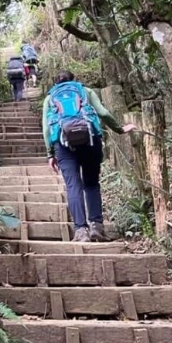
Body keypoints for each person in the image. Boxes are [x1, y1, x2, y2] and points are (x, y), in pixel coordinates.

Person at [41, 70, 136, 243]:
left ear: (55, 83)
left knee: (73, 186)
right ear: (74, 80)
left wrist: (50, 154)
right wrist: (120, 129)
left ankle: (80, 231)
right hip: (90, 141)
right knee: (91, 184)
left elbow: (47, 129)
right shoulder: (85, 91)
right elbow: (104, 113)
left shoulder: (50, 98)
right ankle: (97, 228)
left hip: (63, 144)